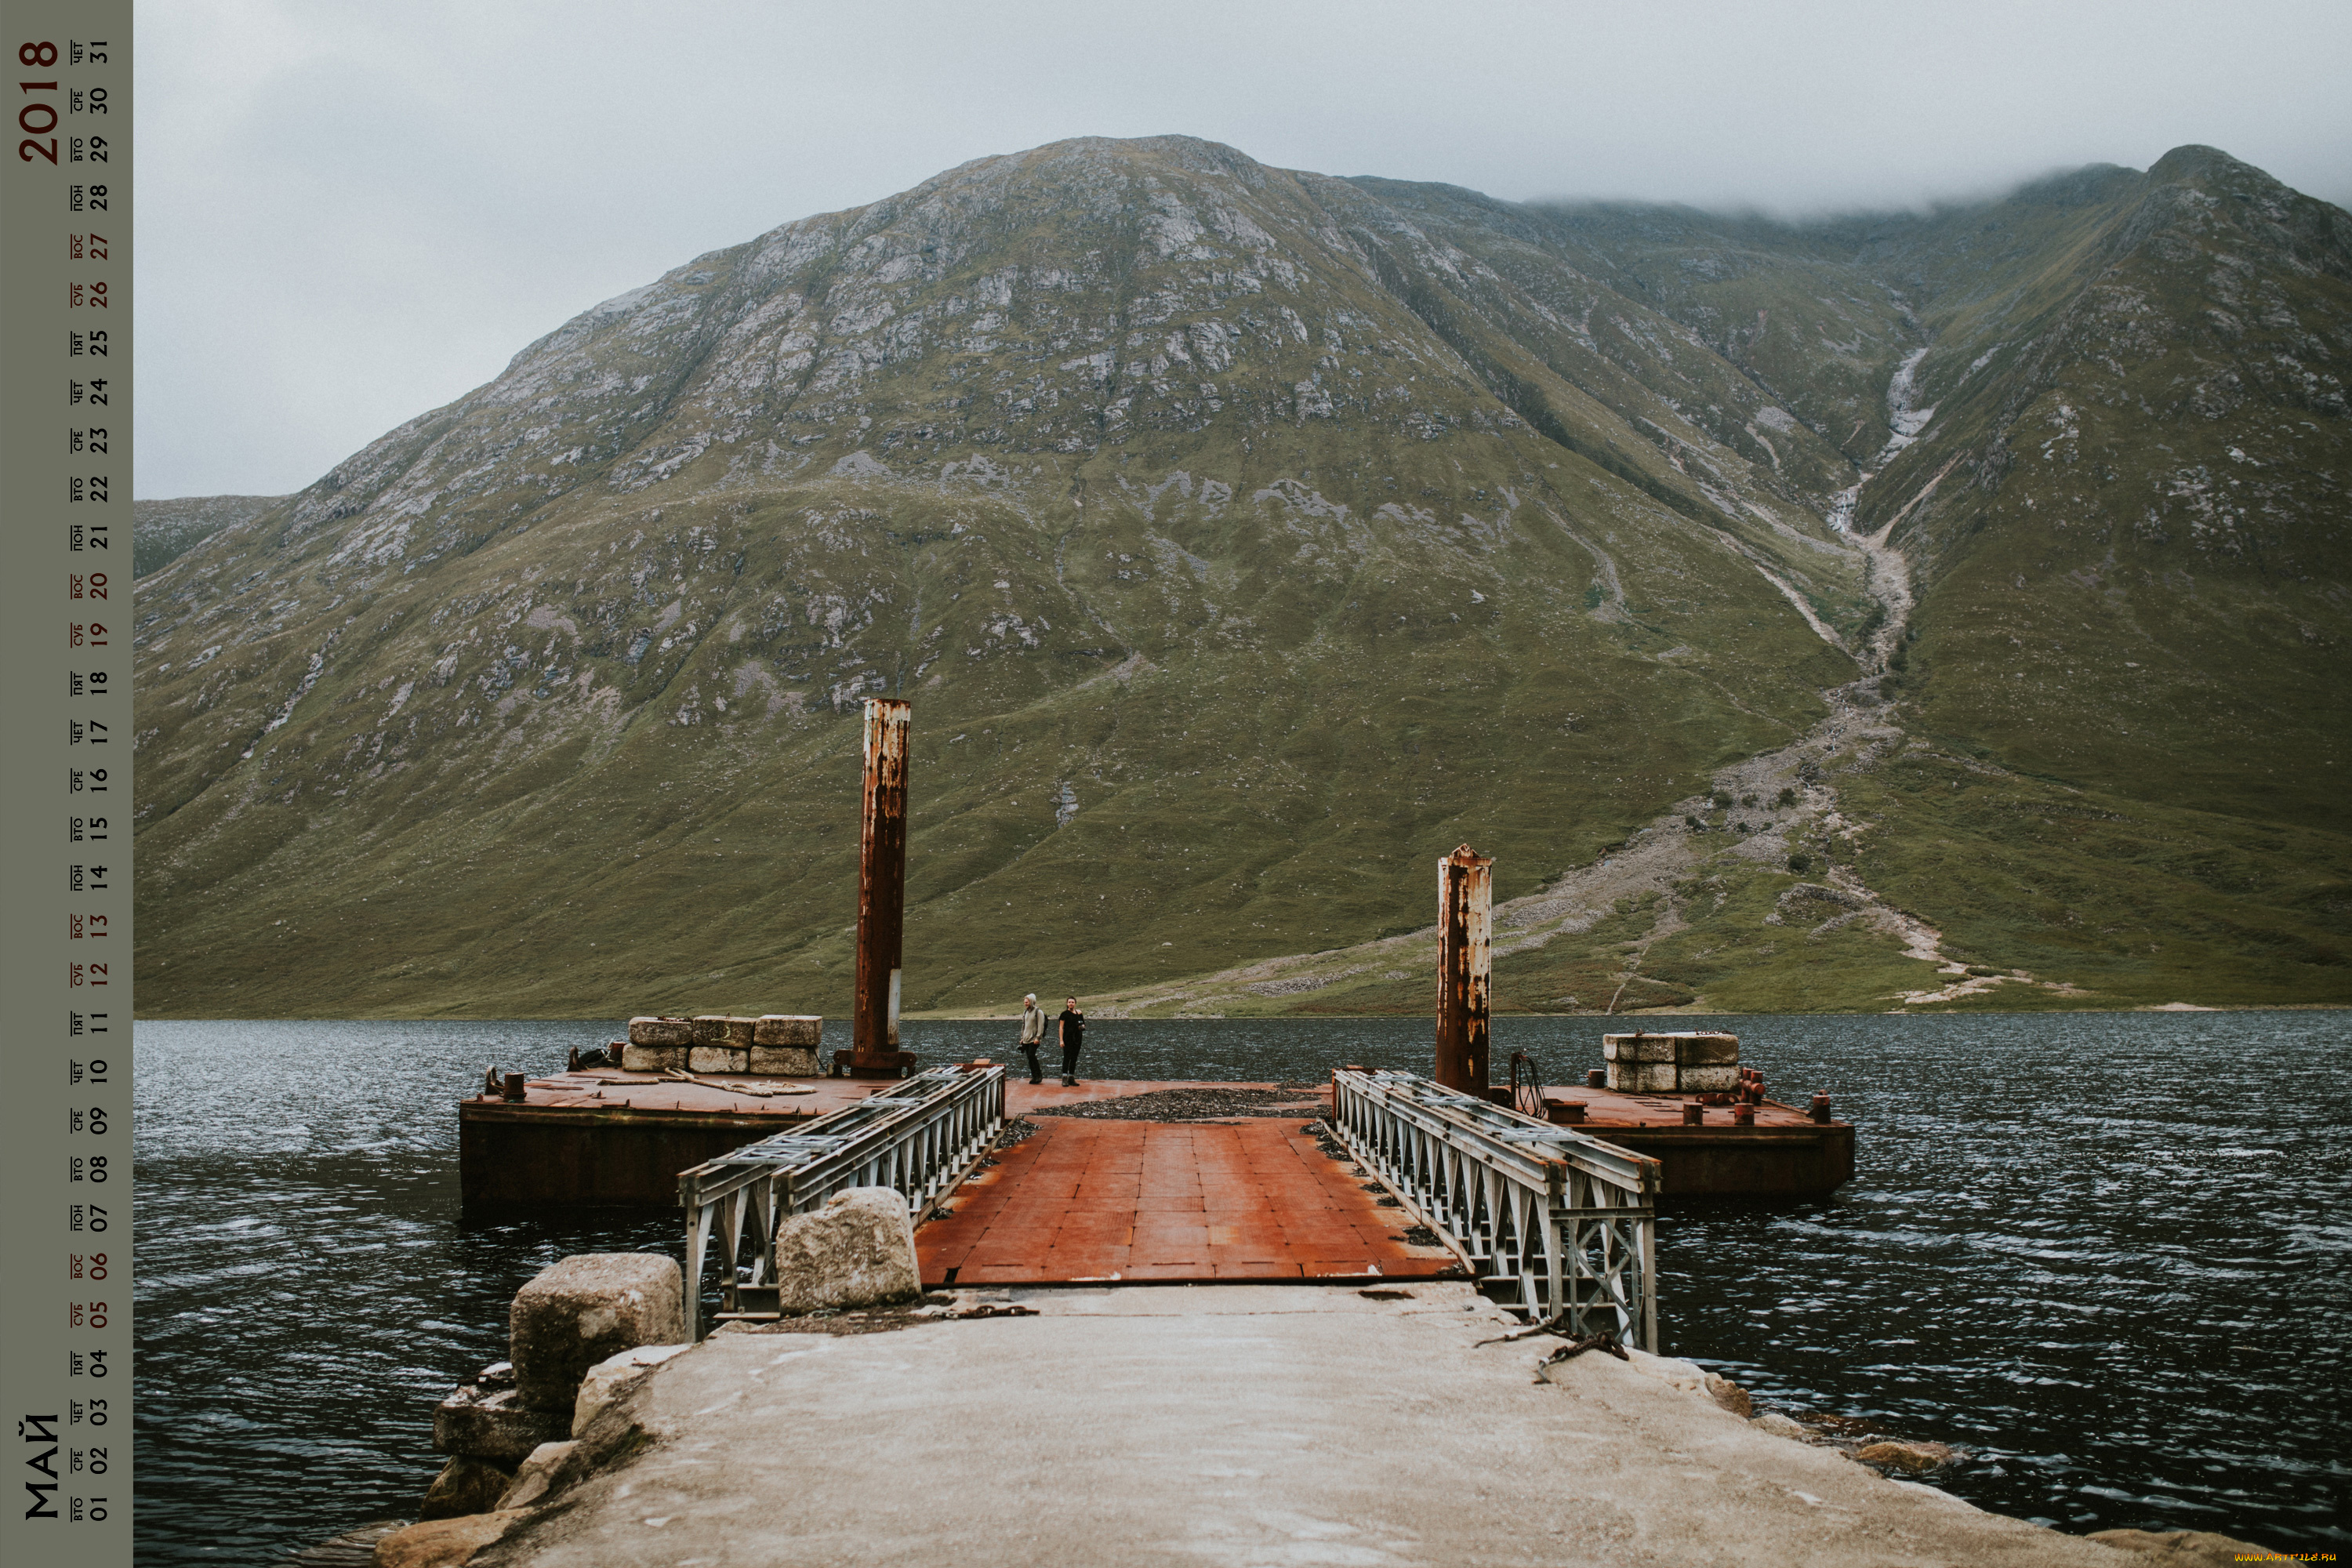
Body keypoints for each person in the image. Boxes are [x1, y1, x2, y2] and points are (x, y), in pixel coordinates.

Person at [1056, 996, 1085, 1087]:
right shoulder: (1064, 1014)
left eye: (1072, 1002)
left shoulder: (1079, 1013)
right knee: (1067, 1058)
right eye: (1069, 1002)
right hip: (1067, 1039)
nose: (1071, 1004)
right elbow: (1061, 1027)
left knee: (1074, 1058)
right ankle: (1064, 1078)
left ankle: (1071, 1078)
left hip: (1077, 1038)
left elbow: (1083, 1024)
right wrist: (1061, 1040)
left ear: (1075, 1003)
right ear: (1067, 1004)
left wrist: (1082, 1027)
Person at [1017, 993, 1045, 1084]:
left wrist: (1038, 1037)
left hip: (1034, 1039)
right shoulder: (1025, 1012)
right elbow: (1024, 1026)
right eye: (1024, 1002)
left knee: (1031, 1055)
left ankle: (1039, 1075)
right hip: (1026, 1039)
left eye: (1027, 1002)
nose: (1025, 1003)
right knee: (1029, 1058)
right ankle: (1034, 1077)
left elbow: (1041, 1026)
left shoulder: (1038, 1012)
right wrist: (1022, 1037)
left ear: (1032, 1002)